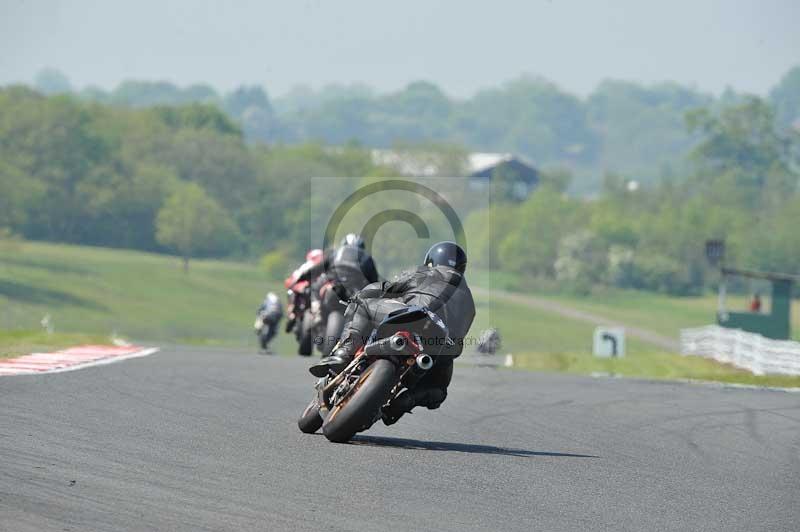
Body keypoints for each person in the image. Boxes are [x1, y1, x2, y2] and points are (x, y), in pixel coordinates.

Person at [310, 241, 475, 425]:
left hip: (412, 318)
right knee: (438, 389)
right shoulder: (469, 301)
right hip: (439, 346)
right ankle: (402, 403)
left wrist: (359, 296)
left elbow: (386, 288)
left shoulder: (424, 272)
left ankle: (345, 352)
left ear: (432, 260)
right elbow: (460, 336)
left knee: (363, 306)